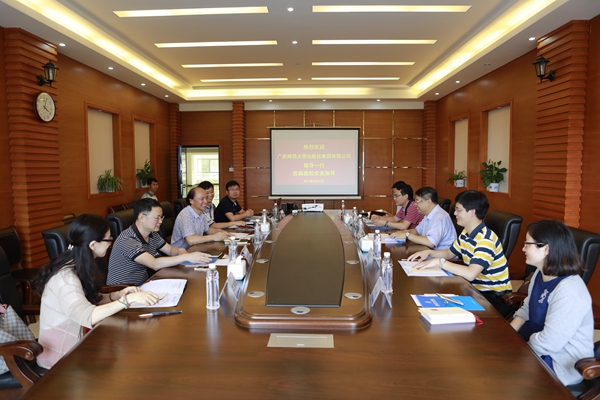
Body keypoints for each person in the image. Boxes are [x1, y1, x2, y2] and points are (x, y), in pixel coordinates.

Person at [35, 214, 160, 369]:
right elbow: (88, 315)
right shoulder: (66, 279)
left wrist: (117, 295)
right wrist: (128, 300)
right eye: (109, 239)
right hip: (61, 359)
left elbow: (91, 299)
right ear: (93, 244)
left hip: (80, 344)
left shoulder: (79, 264)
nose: (111, 244)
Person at [510, 220, 593, 386]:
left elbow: (550, 342)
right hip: (536, 344)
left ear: (546, 249)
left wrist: (517, 351)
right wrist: (508, 333)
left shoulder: (569, 289)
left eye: (527, 244)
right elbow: (527, 309)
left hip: (560, 361)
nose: (523, 249)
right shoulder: (540, 273)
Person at [408, 190, 512, 316]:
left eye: (459, 210)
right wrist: (428, 253)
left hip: (493, 298)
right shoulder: (466, 233)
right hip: (473, 290)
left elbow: (471, 274)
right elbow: (449, 253)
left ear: (472, 212)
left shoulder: (485, 239)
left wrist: (439, 262)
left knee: (440, 311)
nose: (455, 213)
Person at [107, 198, 211, 285]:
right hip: (123, 292)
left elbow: (170, 250)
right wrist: (186, 257)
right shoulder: (128, 239)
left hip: (144, 285)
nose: (160, 221)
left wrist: (181, 251)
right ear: (142, 217)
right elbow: (154, 264)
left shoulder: (152, 234)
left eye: (161, 217)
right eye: (157, 218)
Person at [391, 186, 456, 250]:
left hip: (440, 254)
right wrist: (402, 232)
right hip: (428, 250)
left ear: (429, 202)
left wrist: (407, 235)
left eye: (417, 201)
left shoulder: (440, 217)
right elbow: (417, 231)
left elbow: (431, 242)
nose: (415, 204)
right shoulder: (428, 214)